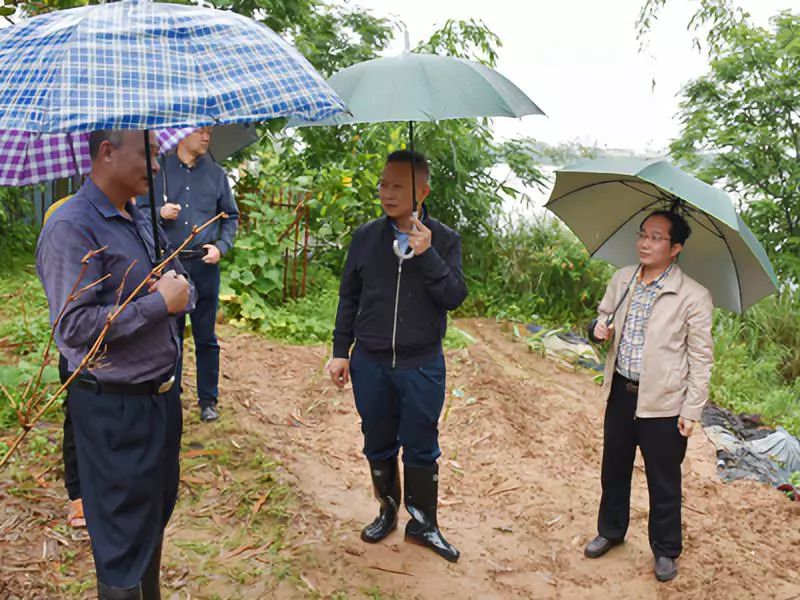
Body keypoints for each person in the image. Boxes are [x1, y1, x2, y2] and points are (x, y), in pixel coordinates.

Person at [36, 129, 194, 599]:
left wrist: (174, 294)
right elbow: (73, 329)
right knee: (123, 546)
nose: (158, 165)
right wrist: (157, 304)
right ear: (107, 151)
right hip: (114, 413)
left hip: (159, 404)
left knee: (151, 523)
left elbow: (181, 285)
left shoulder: (140, 219)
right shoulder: (71, 227)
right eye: (147, 153)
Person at [326, 150, 468, 563]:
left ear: (422, 192)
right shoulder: (367, 237)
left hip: (421, 363)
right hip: (370, 361)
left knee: (422, 445)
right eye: (383, 184)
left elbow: (454, 297)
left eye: (398, 186)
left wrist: (428, 255)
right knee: (378, 440)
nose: (386, 193)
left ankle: (423, 524)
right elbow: (349, 297)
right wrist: (340, 351)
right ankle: (387, 509)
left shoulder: (444, 240)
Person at [583, 210, 714, 582]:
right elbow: (599, 320)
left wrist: (692, 409)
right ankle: (610, 531)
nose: (644, 242)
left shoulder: (693, 296)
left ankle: (666, 549)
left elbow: (701, 358)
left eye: (656, 237)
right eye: (643, 234)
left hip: (665, 405)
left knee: (664, 480)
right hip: (622, 395)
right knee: (614, 470)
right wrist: (598, 329)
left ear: (675, 248)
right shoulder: (623, 279)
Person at [139, 126, 238, 422]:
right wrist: (159, 213)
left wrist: (221, 246)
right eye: (201, 131)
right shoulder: (159, 169)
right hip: (170, 267)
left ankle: (208, 400)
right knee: (171, 335)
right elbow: (139, 212)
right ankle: (171, 395)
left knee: (206, 336)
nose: (207, 137)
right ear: (183, 134)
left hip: (205, 265)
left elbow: (230, 216)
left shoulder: (217, 175)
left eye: (210, 132)